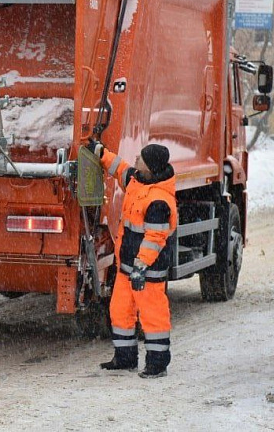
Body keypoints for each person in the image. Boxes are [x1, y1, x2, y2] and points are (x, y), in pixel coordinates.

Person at [88, 140, 177, 378]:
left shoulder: (159, 201)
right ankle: (125, 358)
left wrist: (141, 266)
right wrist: (100, 153)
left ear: (150, 166)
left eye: (142, 157)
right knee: (120, 311)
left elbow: (155, 238)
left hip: (146, 271)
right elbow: (120, 168)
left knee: (152, 317)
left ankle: (157, 364)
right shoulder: (138, 181)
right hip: (128, 267)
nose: (137, 159)